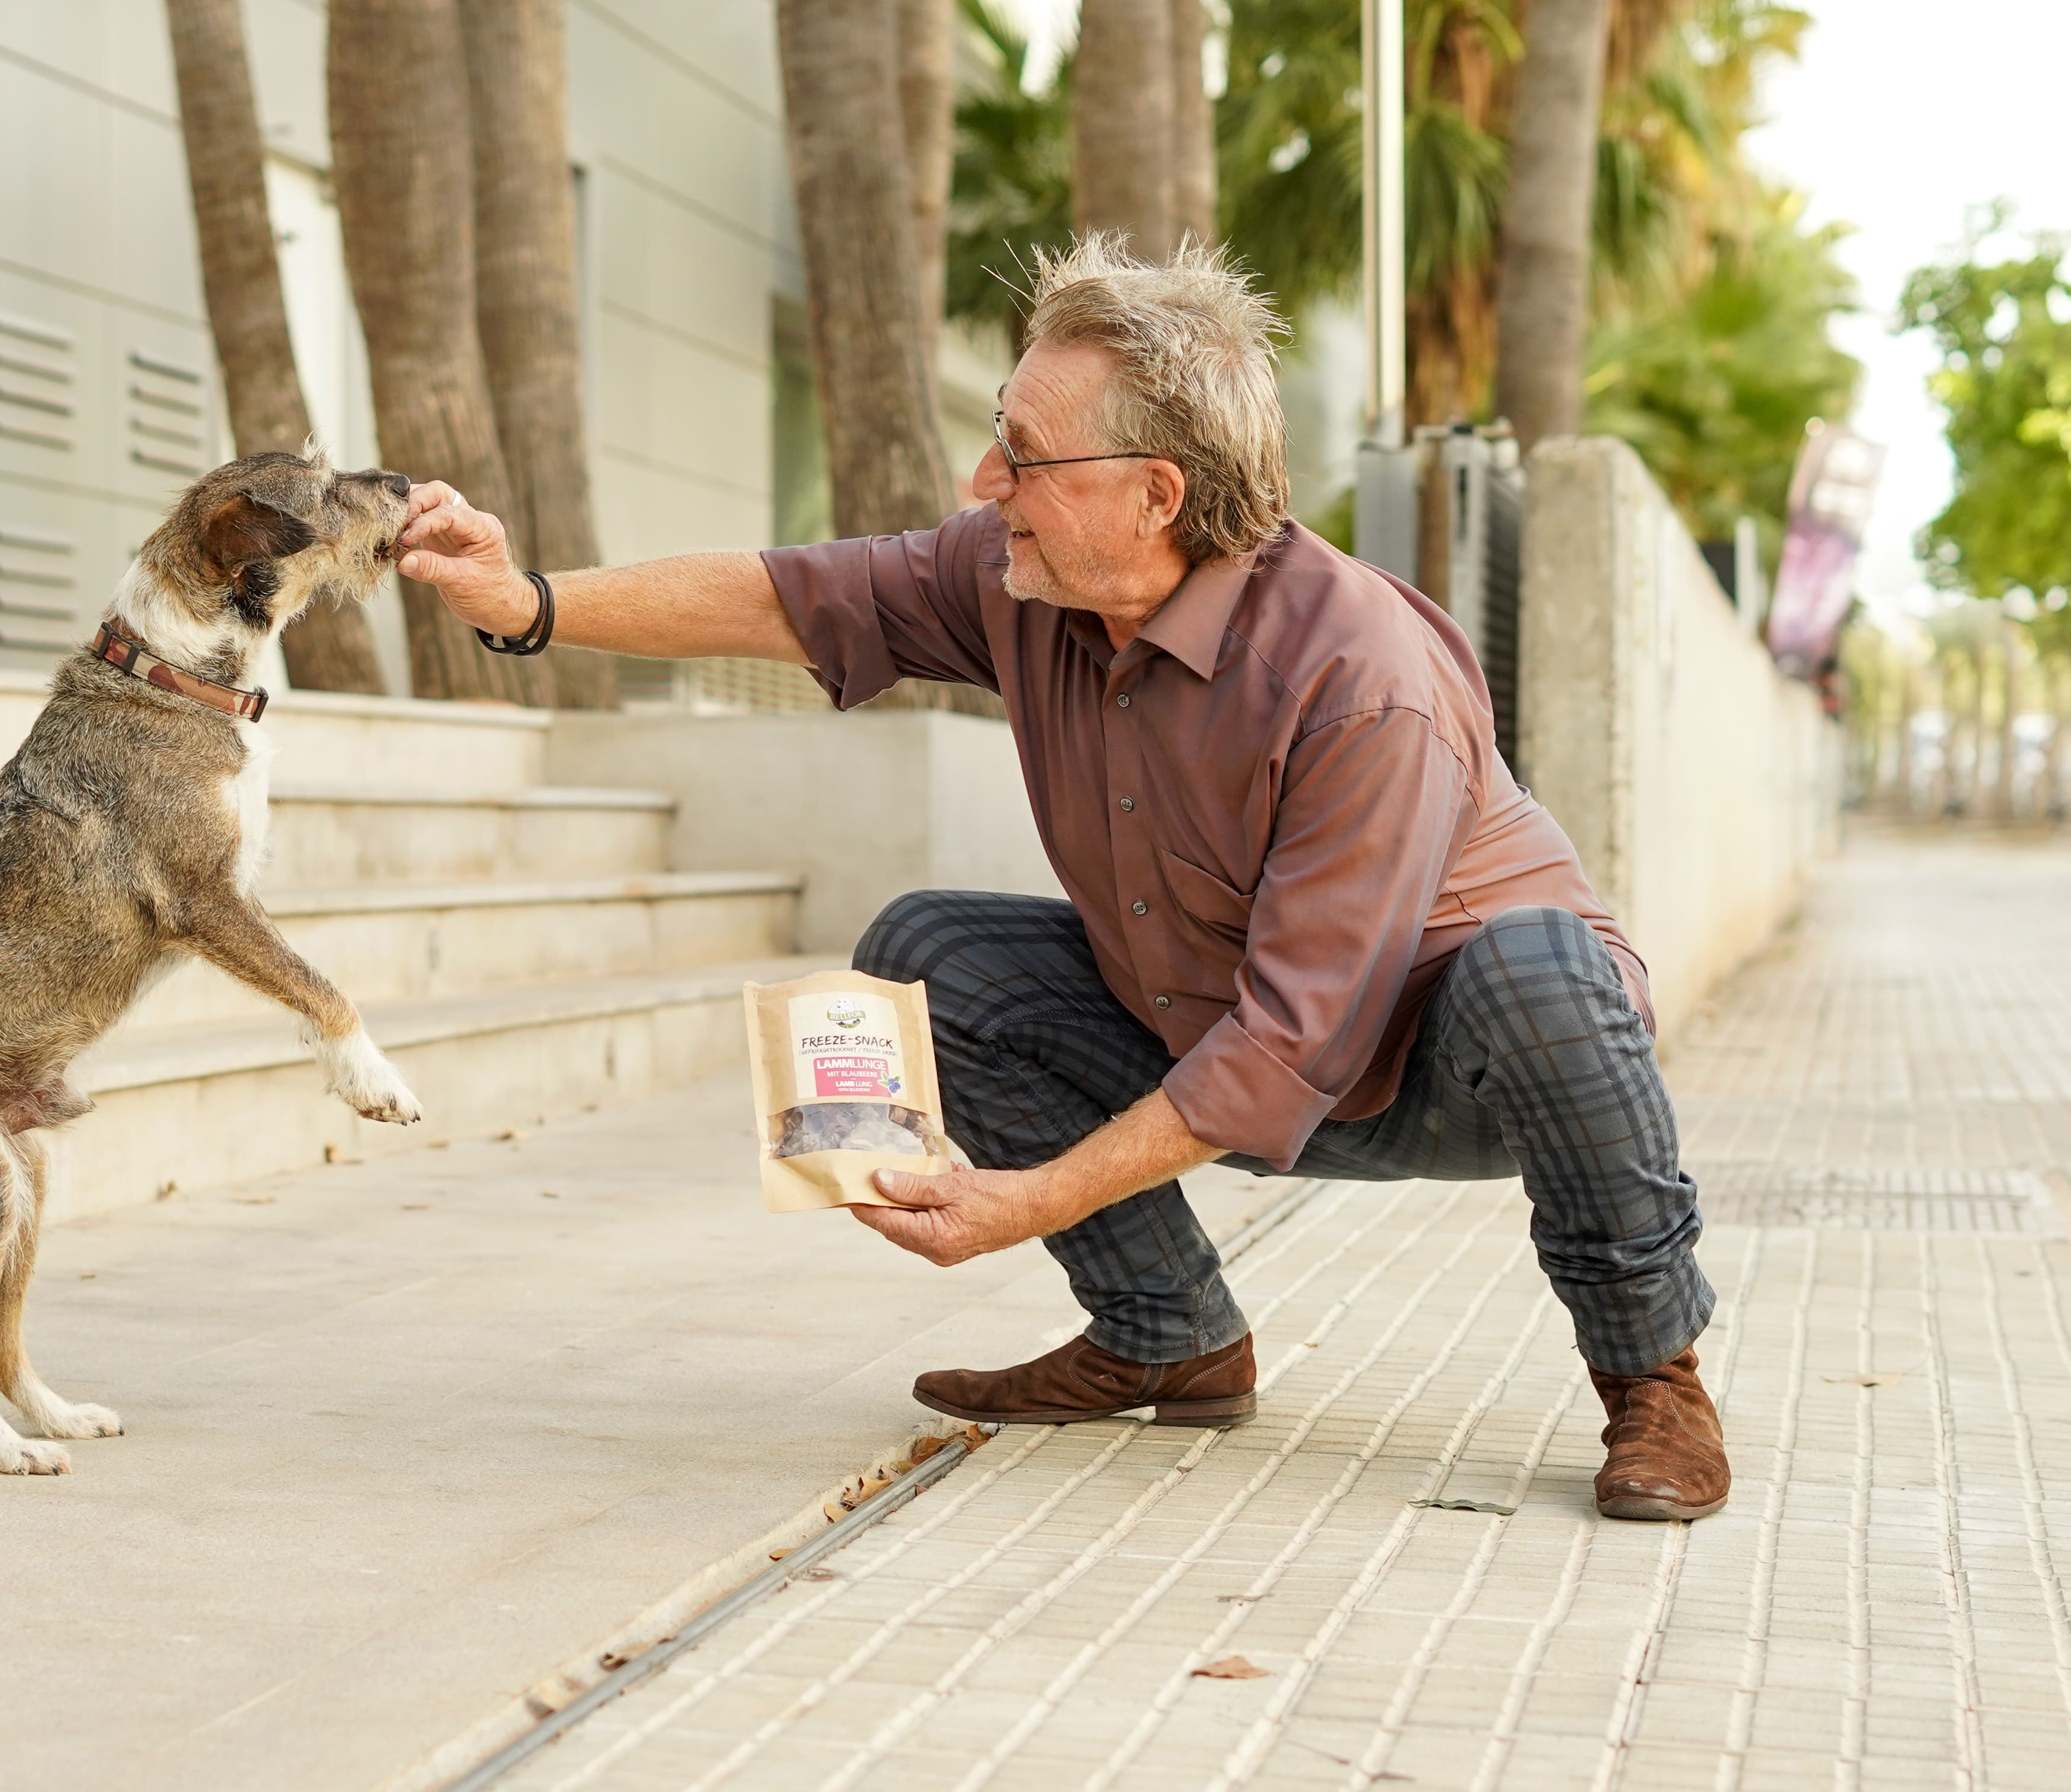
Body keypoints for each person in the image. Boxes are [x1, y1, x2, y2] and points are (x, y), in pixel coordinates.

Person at [394, 236, 1726, 1522]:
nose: (985, 480)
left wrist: (1021, 1203)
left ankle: (1654, 1380)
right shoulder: (1019, 576)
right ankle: (1168, 1339)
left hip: (1455, 1073)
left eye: (1024, 455)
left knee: (1541, 969)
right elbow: (791, 597)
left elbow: (1292, 1041)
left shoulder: (1360, 676)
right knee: (933, 952)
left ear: (1157, 494)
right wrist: (527, 604)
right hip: (1218, 1037)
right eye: (999, 435)